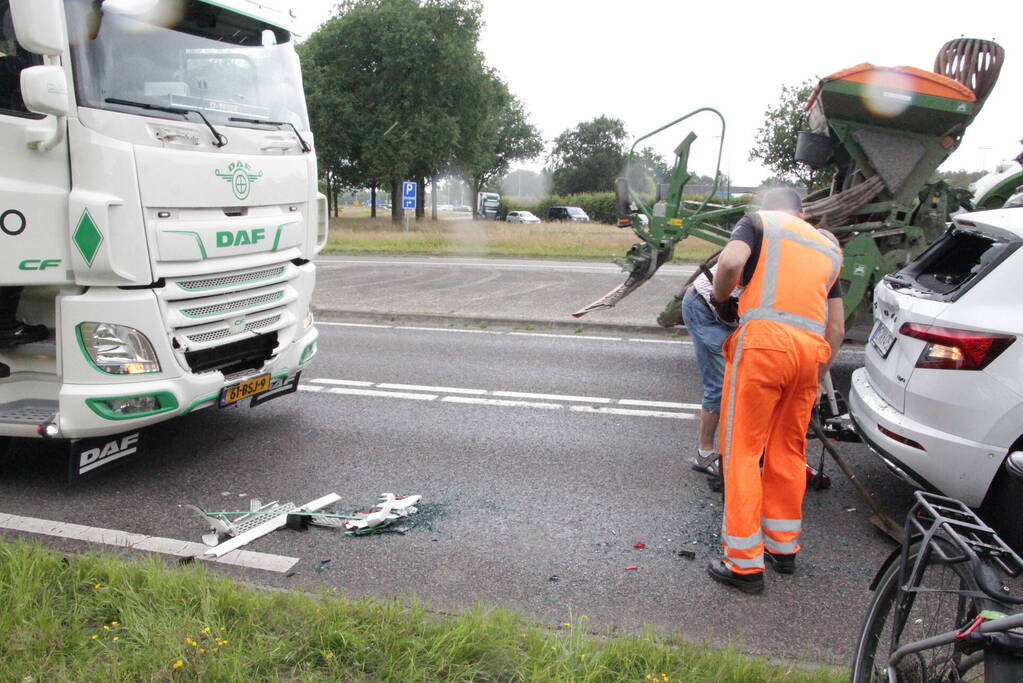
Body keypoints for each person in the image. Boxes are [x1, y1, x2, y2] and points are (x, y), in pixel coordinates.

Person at [705, 188, 845, 595]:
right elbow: (836, 329)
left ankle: (744, 565)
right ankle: (783, 549)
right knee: (788, 450)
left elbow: (730, 262)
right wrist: (817, 373)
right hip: (809, 353)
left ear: (768, 207)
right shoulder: (827, 248)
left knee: (743, 453)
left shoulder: (758, 223)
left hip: (764, 344)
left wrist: (722, 300)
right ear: (802, 213)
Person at [680, 258, 739, 479]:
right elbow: (730, 265)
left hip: (727, 313)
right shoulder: (761, 246)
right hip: (703, 307)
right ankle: (704, 453)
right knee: (721, 383)